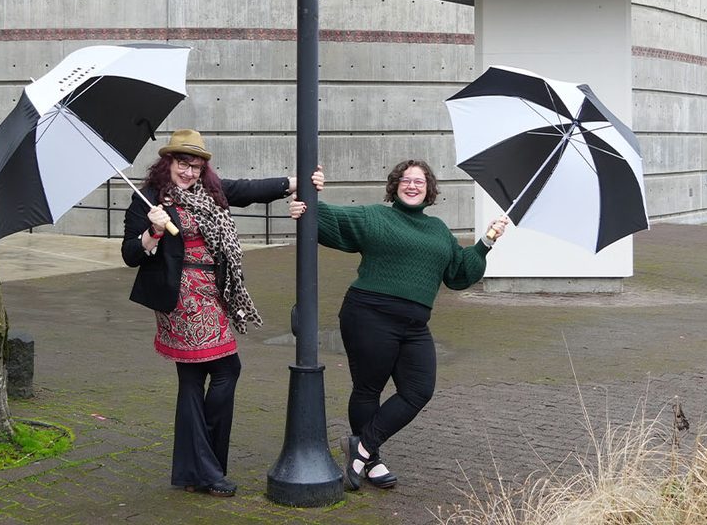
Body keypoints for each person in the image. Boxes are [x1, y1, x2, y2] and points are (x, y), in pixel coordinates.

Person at [120, 128, 318, 497]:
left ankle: (200, 470)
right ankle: (206, 468)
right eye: (183, 164)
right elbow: (130, 254)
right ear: (168, 163)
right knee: (227, 368)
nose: (189, 172)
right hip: (181, 298)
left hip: (213, 293)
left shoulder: (208, 193)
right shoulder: (149, 199)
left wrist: (299, 180)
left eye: (195, 166)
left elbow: (247, 190)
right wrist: (154, 231)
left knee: (194, 380)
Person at [289, 159, 509, 491]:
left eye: (419, 182)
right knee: (368, 389)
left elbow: (460, 273)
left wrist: (487, 240)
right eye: (406, 180)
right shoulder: (376, 217)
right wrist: (305, 202)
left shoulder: (438, 230)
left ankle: (360, 448)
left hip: (414, 325)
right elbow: (327, 218)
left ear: (429, 189)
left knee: (419, 389)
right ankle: (371, 460)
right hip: (368, 314)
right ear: (395, 185)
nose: (412, 185)